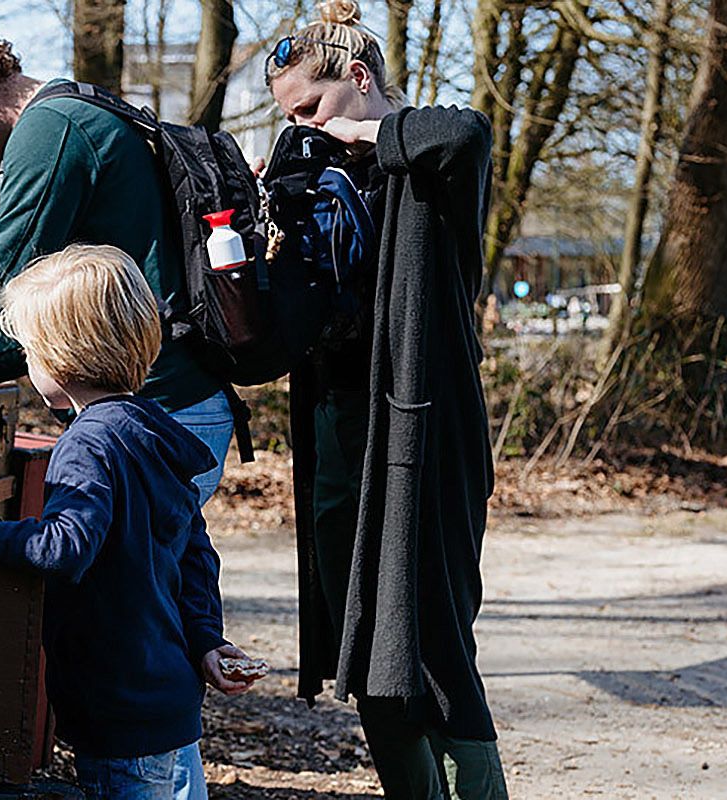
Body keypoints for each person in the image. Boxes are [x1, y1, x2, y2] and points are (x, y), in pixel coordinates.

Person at [0, 244, 261, 800]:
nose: (29, 365)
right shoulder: (147, 429)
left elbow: (62, 547)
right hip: (167, 704)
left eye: (30, 351)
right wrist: (205, 639)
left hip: (118, 712)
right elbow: (194, 550)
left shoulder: (88, 443)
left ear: (62, 356)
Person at [264, 2, 509, 798]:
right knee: (361, 638)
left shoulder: (430, 151)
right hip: (338, 426)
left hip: (425, 427)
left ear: (359, 80)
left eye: (311, 106)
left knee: (432, 640)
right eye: (290, 116)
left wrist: (359, 135)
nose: (303, 126)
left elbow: (463, 131)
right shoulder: (317, 166)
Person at [0, 27, 234, 505]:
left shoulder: (51, 131)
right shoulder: (76, 112)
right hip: (164, 407)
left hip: (159, 408)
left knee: (127, 577)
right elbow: (51, 326)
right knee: (159, 573)